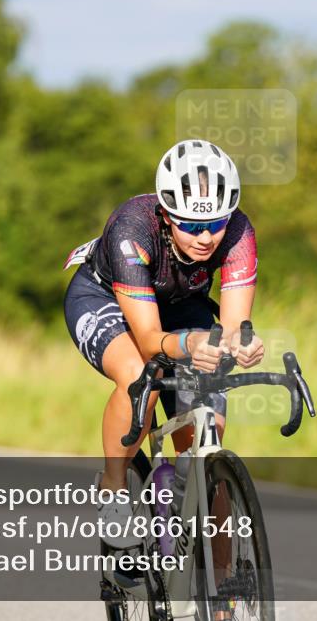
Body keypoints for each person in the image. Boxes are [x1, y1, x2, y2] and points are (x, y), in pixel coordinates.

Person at [63, 139, 264, 548]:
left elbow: (233, 326)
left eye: (216, 223)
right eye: (190, 225)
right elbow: (149, 340)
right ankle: (114, 487)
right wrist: (189, 345)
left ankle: (226, 582)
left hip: (181, 305)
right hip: (108, 299)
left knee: (205, 445)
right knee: (140, 377)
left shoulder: (239, 232)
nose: (206, 237)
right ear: (167, 214)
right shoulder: (132, 228)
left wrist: (241, 344)